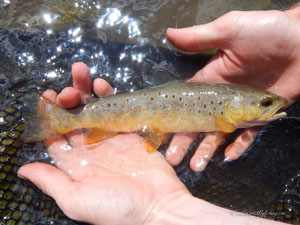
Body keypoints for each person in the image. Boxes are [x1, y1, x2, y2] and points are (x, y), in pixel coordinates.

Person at [17, 5, 300, 225]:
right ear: (232, 108)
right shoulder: (225, 117)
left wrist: (158, 214)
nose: (272, 105)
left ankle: (62, 121)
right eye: (264, 103)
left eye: (265, 103)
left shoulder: (230, 113)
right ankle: (57, 121)